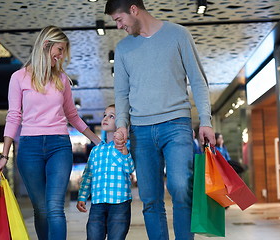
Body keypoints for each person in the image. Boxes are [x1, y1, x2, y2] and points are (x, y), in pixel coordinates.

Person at [104, 1, 216, 239]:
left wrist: (205, 120)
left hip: (176, 125)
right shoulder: (123, 49)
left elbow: (198, 80)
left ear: (134, 10)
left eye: (119, 19)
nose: (118, 25)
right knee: (150, 198)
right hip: (140, 132)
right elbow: (121, 94)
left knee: (180, 187)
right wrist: (122, 125)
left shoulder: (178, 35)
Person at [0, 25, 101, 240]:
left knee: (54, 207)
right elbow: (14, 115)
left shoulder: (61, 79)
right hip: (29, 148)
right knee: (41, 209)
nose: (61, 56)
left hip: (59, 146)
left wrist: (98, 141)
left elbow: (73, 115)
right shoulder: (19, 77)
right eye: (59, 50)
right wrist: (4, 155)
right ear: (46, 45)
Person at [76, 104, 134, 240]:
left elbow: (129, 168)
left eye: (111, 116)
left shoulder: (126, 147)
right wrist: (82, 196)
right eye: (104, 115)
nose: (105, 118)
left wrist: (124, 152)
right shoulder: (96, 150)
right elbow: (88, 175)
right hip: (98, 204)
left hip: (120, 203)